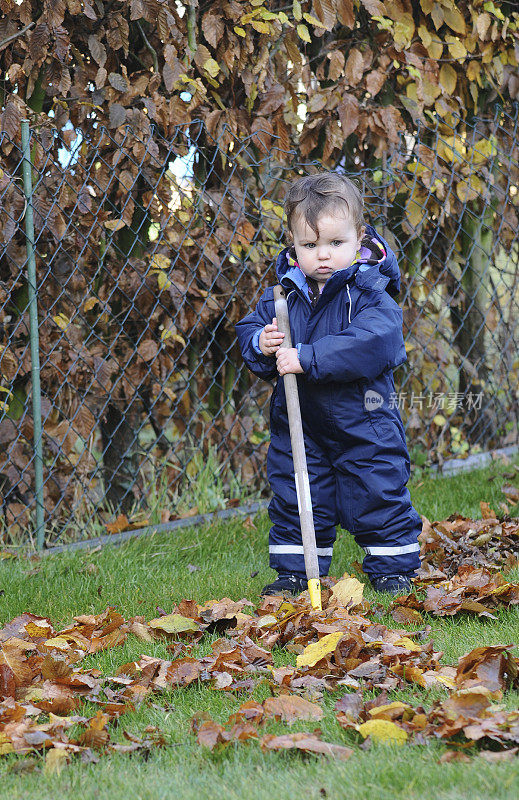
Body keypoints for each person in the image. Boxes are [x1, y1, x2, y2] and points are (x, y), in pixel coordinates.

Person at [235, 172, 422, 596]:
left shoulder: (370, 292)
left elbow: (376, 342)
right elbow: (249, 327)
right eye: (309, 245)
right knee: (298, 491)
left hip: (365, 421)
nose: (322, 256)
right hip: (300, 423)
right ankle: (296, 573)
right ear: (292, 245)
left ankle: (392, 567)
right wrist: (261, 343)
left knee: (377, 488)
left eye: (335, 244)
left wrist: (308, 357)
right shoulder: (284, 294)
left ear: (359, 238)